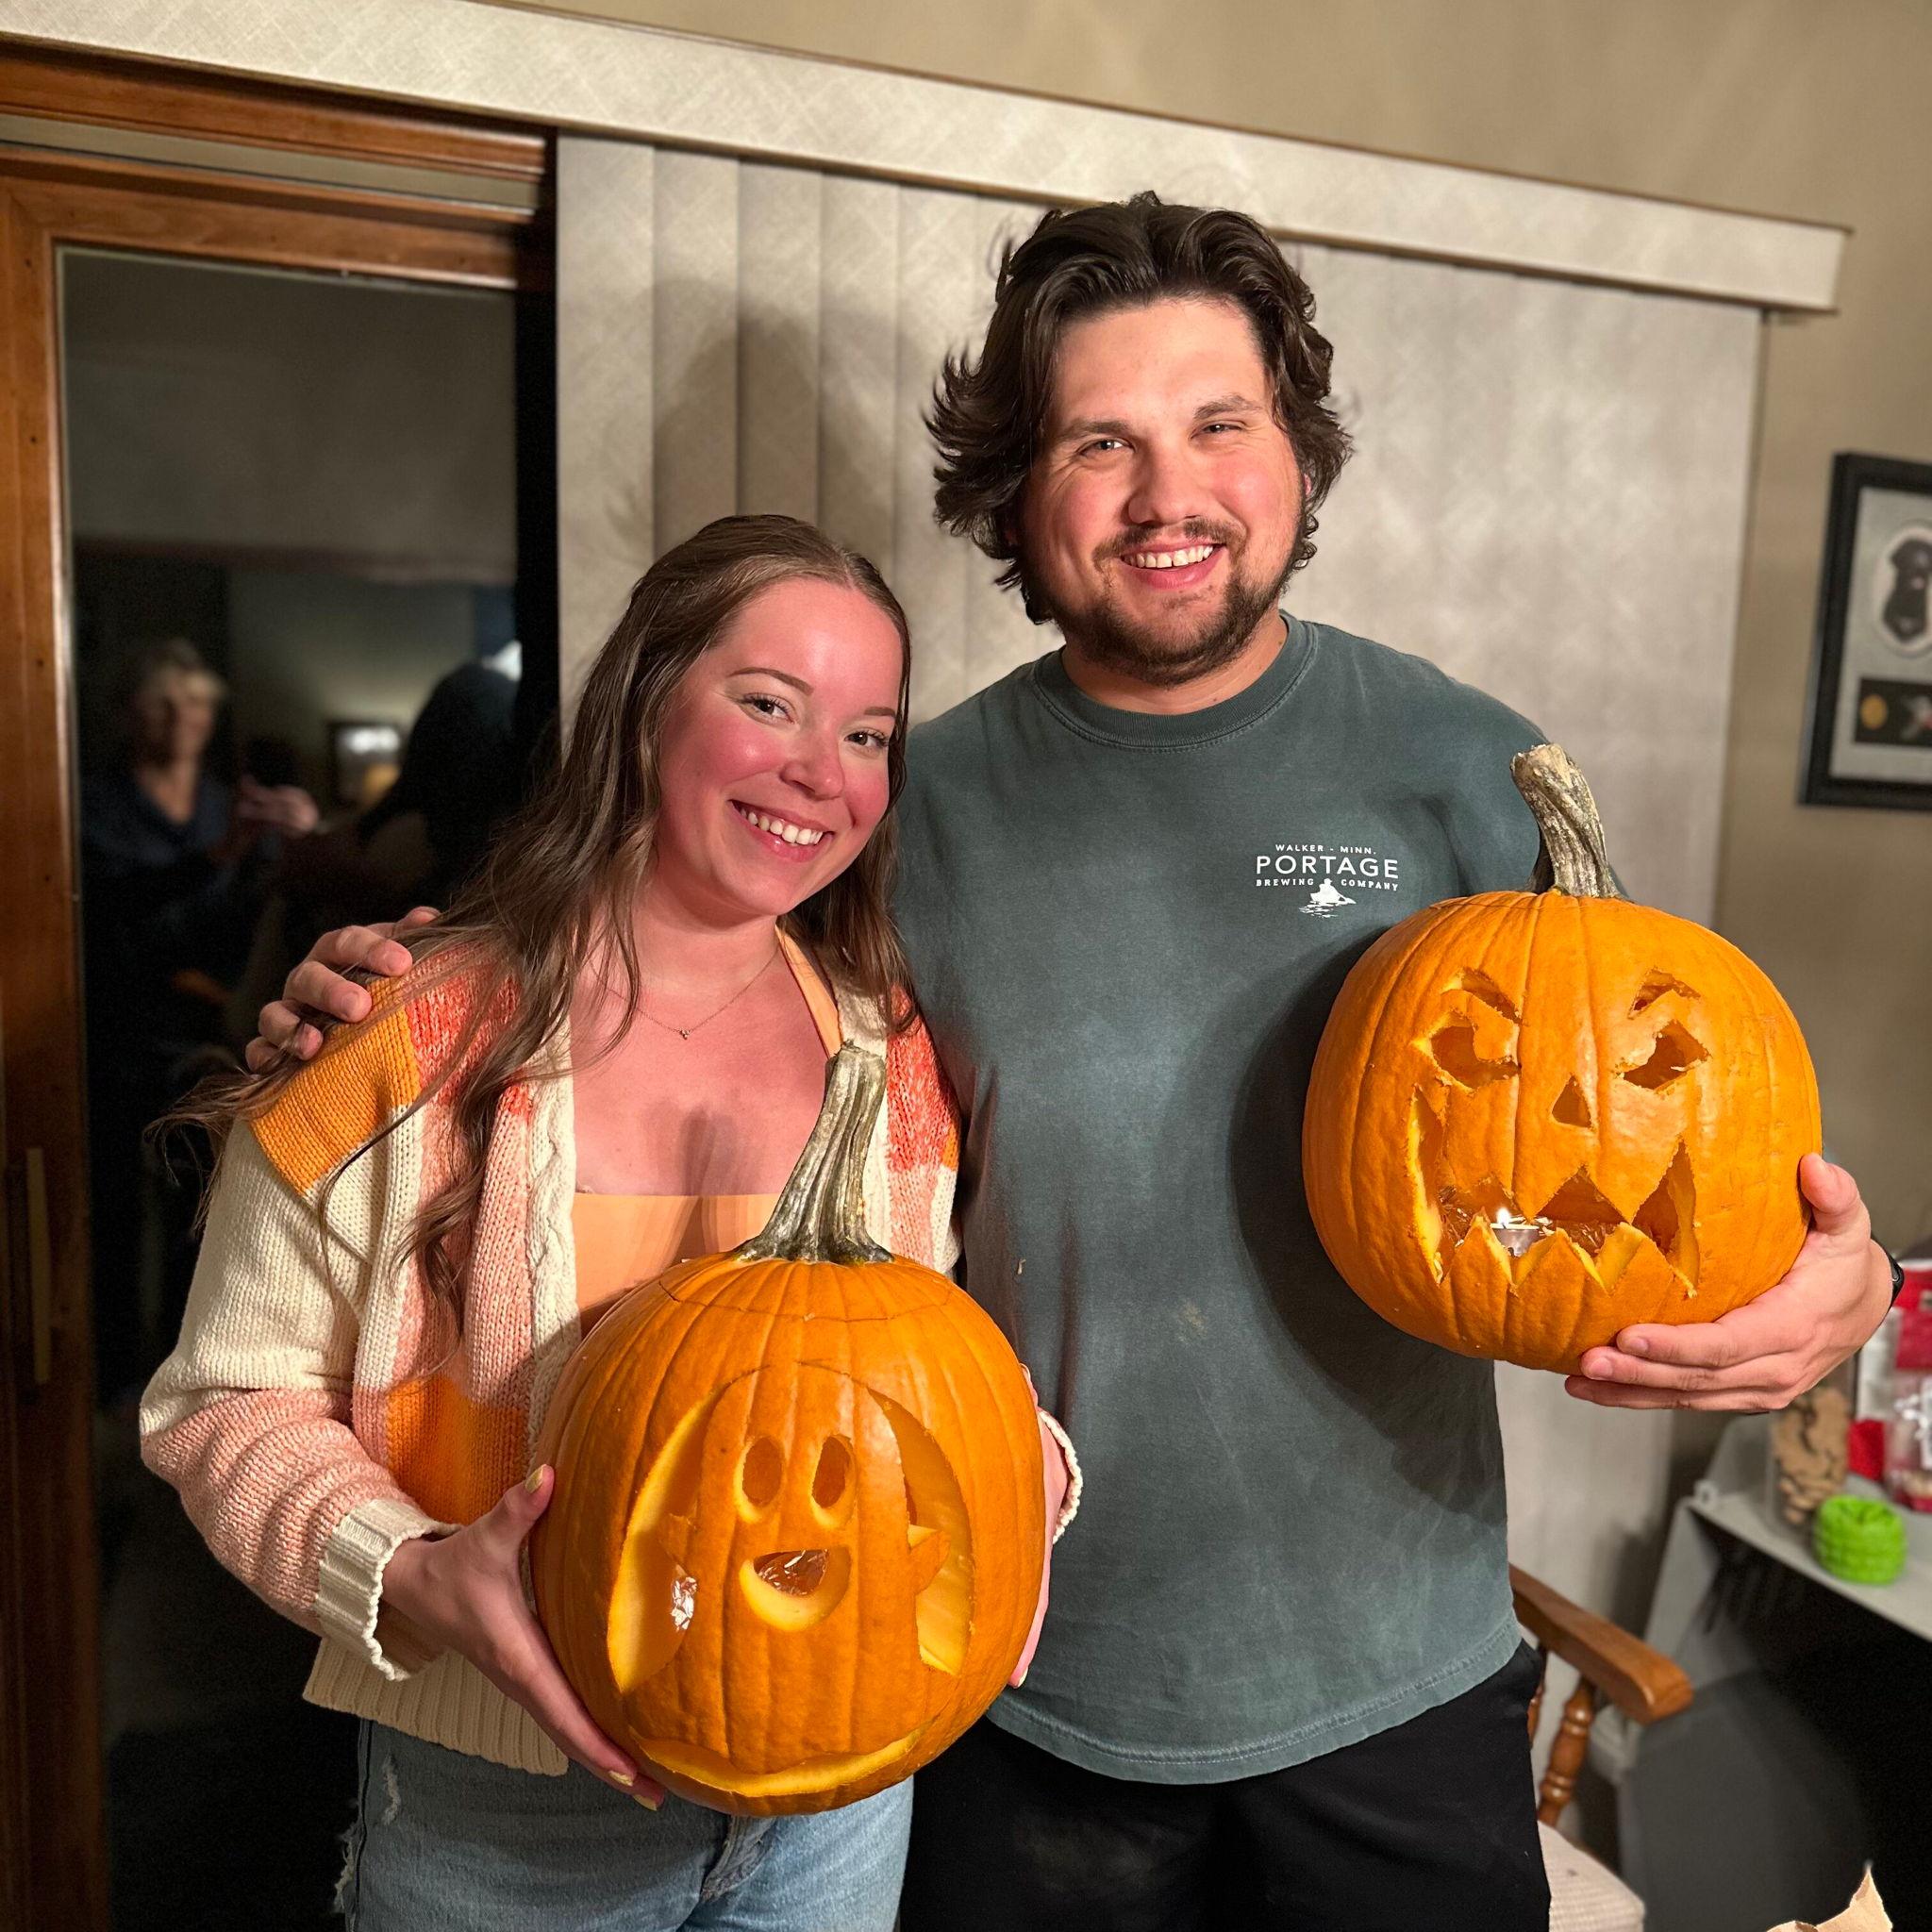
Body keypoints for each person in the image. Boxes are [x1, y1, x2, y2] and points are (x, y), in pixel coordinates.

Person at [260, 195, 1893, 1931]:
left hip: (1394, 1675)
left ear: (1295, 452)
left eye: (1218, 424)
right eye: (1097, 440)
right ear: (1015, 493)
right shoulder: (904, 807)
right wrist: (389, 1018)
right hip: (997, 1657)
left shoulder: (1468, 767)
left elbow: (1654, 1113)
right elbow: (668, 999)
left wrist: (1830, 1278)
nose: (1165, 493)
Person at [143, 517, 1073, 1932]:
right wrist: (414, 1573)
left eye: (871, 734)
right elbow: (226, 1401)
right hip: (498, 1812)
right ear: (646, 703)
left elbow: (919, 1377)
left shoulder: (886, 1058)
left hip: (837, 1790)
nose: (823, 774)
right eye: (768, 703)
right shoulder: (403, 1030)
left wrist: (1019, 1486)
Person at [82, 636, 318, 1400]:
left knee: (204, 1212)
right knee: (113, 1215)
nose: (185, 716)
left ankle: (187, 1376)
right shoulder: (97, 803)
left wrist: (296, 843)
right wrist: (214, 860)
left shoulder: (227, 805)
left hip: (214, 1042)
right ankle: (115, 1384)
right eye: (166, 701)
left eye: (197, 700)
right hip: (119, 1037)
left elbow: (251, 924)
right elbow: (110, 921)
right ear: (131, 713)